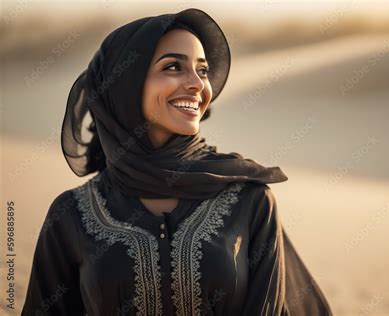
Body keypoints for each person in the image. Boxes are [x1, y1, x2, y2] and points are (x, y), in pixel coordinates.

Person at [21, 8, 332, 316]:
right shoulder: (73, 212)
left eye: (203, 70)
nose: (197, 84)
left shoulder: (250, 200)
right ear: (124, 85)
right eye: (173, 67)